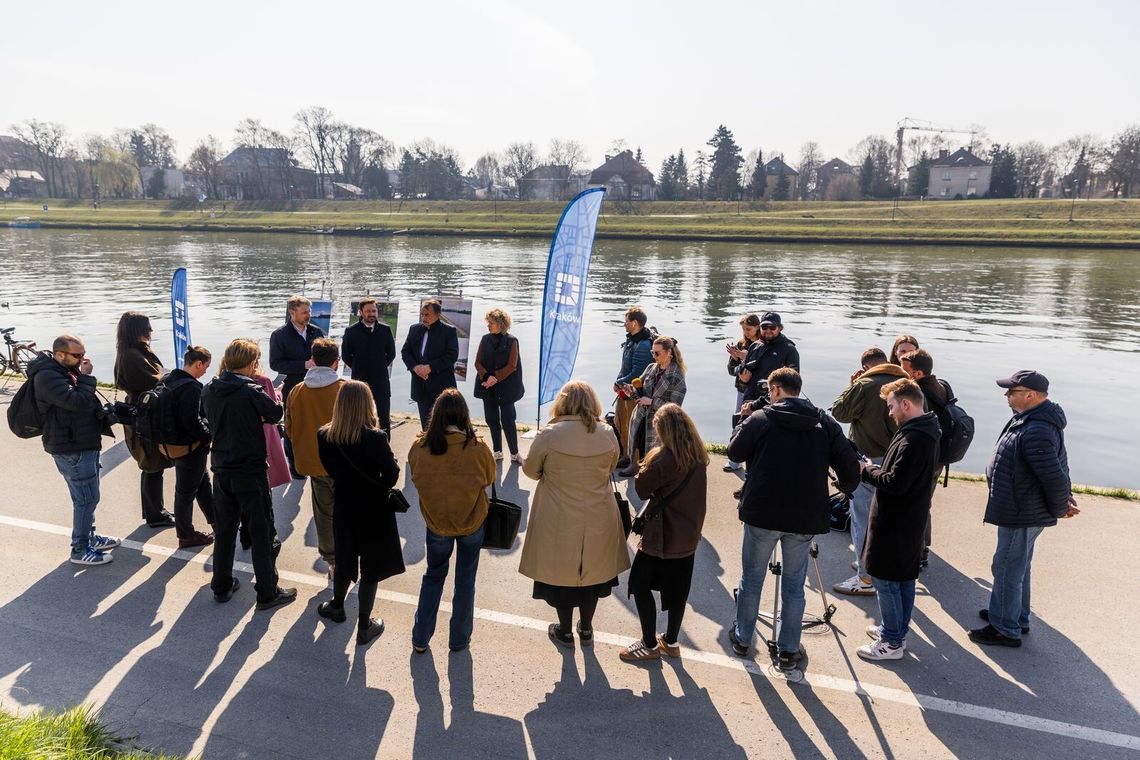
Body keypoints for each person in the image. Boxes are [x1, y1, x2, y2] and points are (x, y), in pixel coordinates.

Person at [725, 368, 860, 669]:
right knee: (794, 584)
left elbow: (735, 450)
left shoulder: (761, 419)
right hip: (805, 515)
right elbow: (850, 467)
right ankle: (788, 649)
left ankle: (743, 638)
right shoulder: (824, 422)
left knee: (752, 579)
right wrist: (842, 488)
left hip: (762, 512)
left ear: (775, 390)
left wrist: (743, 420)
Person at [970, 370, 1078, 648]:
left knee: (1006, 566)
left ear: (1030, 395)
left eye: (1011, 391)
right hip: (1021, 508)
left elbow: (1053, 475)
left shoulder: (1037, 428)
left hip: (1022, 511)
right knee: (1018, 566)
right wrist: (1065, 498)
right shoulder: (1031, 419)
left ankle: (1005, 628)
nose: (1006, 395)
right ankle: (1015, 615)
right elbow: (1061, 462)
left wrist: (1061, 506)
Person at [519, 380, 629, 648]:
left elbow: (531, 471)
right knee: (593, 574)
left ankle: (565, 631)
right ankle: (587, 628)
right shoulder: (607, 433)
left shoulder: (550, 434)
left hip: (559, 514)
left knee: (562, 575)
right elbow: (612, 466)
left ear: (563, 403)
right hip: (599, 513)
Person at [202, 338, 296, 611]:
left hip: (221, 468)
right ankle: (267, 592)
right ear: (251, 363)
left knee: (225, 531)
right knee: (261, 531)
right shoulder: (251, 390)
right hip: (250, 470)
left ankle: (221, 585)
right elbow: (275, 413)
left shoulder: (209, 389)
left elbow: (205, 417)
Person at [856, 379, 941, 662]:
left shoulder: (914, 438)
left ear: (906, 404)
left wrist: (866, 470)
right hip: (909, 518)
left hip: (896, 521)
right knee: (903, 578)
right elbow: (901, 474)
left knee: (886, 580)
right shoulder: (923, 430)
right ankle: (896, 631)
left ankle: (891, 642)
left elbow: (895, 482)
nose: (890, 412)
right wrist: (879, 468)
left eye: (892, 406)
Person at [407, 389, 495, 652]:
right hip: (471, 521)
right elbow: (489, 478)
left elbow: (415, 478)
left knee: (433, 576)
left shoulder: (419, 447)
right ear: (464, 415)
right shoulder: (477, 447)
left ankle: (421, 637)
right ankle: (459, 639)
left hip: (437, 523)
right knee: (465, 581)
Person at [317, 381, 403, 647]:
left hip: (344, 505)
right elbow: (391, 475)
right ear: (368, 404)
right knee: (370, 568)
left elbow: (330, 470)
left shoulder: (325, 435)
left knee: (344, 558)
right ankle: (364, 626)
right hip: (374, 509)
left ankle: (337, 606)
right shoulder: (376, 438)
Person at [621, 403, 709, 662]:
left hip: (662, 536)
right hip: (688, 535)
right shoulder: (697, 454)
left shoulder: (663, 459)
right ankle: (671, 641)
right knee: (678, 592)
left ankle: (649, 644)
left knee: (639, 585)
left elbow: (641, 489)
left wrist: (647, 462)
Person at [28, 336, 120, 566]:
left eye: (83, 354)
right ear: (60, 354)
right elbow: (76, 402)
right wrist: (86, 377)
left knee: (88, 496)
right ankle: (79, 549)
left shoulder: (64, 370)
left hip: (82, 442)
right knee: (86, 499)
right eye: (77, 355)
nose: (82, 359)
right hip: (71, 447)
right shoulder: (47, 376)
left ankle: (90, 537)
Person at [830, 347, 910, 596]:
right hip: (899, 459)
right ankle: (879, 565)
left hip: (867, 460)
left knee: (863, 517)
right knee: (889, 518)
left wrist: (851, 385)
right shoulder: (908, 385)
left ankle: (865, 576)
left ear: (866, 367)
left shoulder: (864, 385)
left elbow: (839, 412)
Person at [285, 337, 345, 574]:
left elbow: (289, 428)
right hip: (345, 463)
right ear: (336, 362)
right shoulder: (346, 389)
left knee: (323, 513)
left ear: (312, 360)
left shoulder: (297, 391)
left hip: (313, 462)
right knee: (349, 511)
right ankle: (350, 554)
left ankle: (332, 559)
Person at [113, 311, 175, 529]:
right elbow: (154, 381)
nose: (151, 331)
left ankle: (155, 511)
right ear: (138, 330)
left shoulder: (131, 352)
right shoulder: (132, 355)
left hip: (143, 412)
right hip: (144, 415)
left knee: (152, 464)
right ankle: (155, 514)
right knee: (151, 464)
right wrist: (172, 377)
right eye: (148, 327)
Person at [158, 345, 215, 549]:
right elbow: (191, 420)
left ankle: (218, 522)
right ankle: (186, 535)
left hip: (169, 445)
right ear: (198, 364)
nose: (205, 372)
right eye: (206, 367)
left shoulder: (167, 379)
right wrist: (208, 436)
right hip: (189, 448)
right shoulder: (191, 387)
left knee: (202, 484)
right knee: (185, 492)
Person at [899, 348, 951, 569]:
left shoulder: (919, 393)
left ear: (918, 373)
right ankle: (921, 551)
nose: (902, 373)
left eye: (905, 370)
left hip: (926, 456)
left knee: (915, 505)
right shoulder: (942, 386)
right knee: (923, 503)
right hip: (939, 456)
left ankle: (917, 553)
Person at [269, 295, 325, 477]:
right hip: (292, 388)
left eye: (309, 311)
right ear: (292, 312)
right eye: (304, 312)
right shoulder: (279, 335)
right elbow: (275, 364)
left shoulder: (316, 332)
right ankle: (296, 468)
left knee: (316, 425)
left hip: (316, 387)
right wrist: (303, 365)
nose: (309, 315)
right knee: (293, 428)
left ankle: (316, 461)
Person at [617, 336, 687, 477]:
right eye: (652, 352)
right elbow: (640, 392)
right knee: (637, 442)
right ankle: (634, 465)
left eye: (657, 353)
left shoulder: (677, 376)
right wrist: (631, 391)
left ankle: (650, 475)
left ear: (669, 352)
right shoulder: (651, 368)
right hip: (641, 416)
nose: (653, 356)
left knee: (654, 453)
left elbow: (675, 407)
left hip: (660, 422)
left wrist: (652, 402)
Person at [473, 307, 525, 464]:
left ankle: (515, 453)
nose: (488, 325)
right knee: (492, 420)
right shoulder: (485, 339)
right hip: (487, 385)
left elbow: (512, 365)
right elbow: (478, 362)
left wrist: (495, 377)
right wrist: (486, 376)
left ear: (501, 324)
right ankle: (497, 452)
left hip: (506, 388)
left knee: (508, 420)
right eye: (488, 322)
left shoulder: (512, 341)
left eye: (491, 323)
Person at [401, 299, 460, 429]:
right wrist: (415, 367)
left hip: (442, 387)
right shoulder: (414, 329)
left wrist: (430, 367)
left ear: (438, 314)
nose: (424, 318)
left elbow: (452, 355)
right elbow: (405, 352)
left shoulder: (449, 331)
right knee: (426, 426)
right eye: (422, 314)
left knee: (444, 425)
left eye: (427, 315)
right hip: (420, 386)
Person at [341, 297, 397, 432]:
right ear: (361, 312)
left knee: (384, 417)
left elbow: (391, 353)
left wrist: (379, 365)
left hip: (381, 380)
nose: (371, 314)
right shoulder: (351, 331)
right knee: (358, 416)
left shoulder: (385, 330)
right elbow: (346, 355)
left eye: (374, 311)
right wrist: (358, 366)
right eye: (368, 311)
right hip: (359, 381)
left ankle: (385, 444)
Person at [613, 306, 654, 471]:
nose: (624, 324)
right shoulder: (631, 339)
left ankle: (635, 463)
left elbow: (638, 373)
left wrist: (619, 382)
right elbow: (625, 367)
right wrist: (619, 382)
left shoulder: (643, 344)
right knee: (620, 422)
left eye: (626, 321)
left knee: (633, 427)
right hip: (623, 391)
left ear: (635, 323)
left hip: (634, 394)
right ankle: (624, 456)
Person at [737, 312, 800, 417]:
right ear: (760, 328)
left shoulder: (789, 350)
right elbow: (743, 379)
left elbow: (792, 386)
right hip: (749, 405)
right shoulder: (754, 346)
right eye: (764, 327)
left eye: (772, 327)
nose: (768, 330)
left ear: (780, 328)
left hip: (773, 409)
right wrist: (743, 380)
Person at [724, 314, 761, 472]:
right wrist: (736, 359)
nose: (746, 332)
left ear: (757, 327)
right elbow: (731, 370)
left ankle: (754, 462)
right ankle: (734, 461)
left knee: (757, 424)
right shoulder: (740, 344)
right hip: (742, 389)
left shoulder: (763, 345)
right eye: (744, 329)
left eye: (749, 329)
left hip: (758, 391)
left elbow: (764, 369)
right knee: (739, 421)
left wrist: (746, 358)